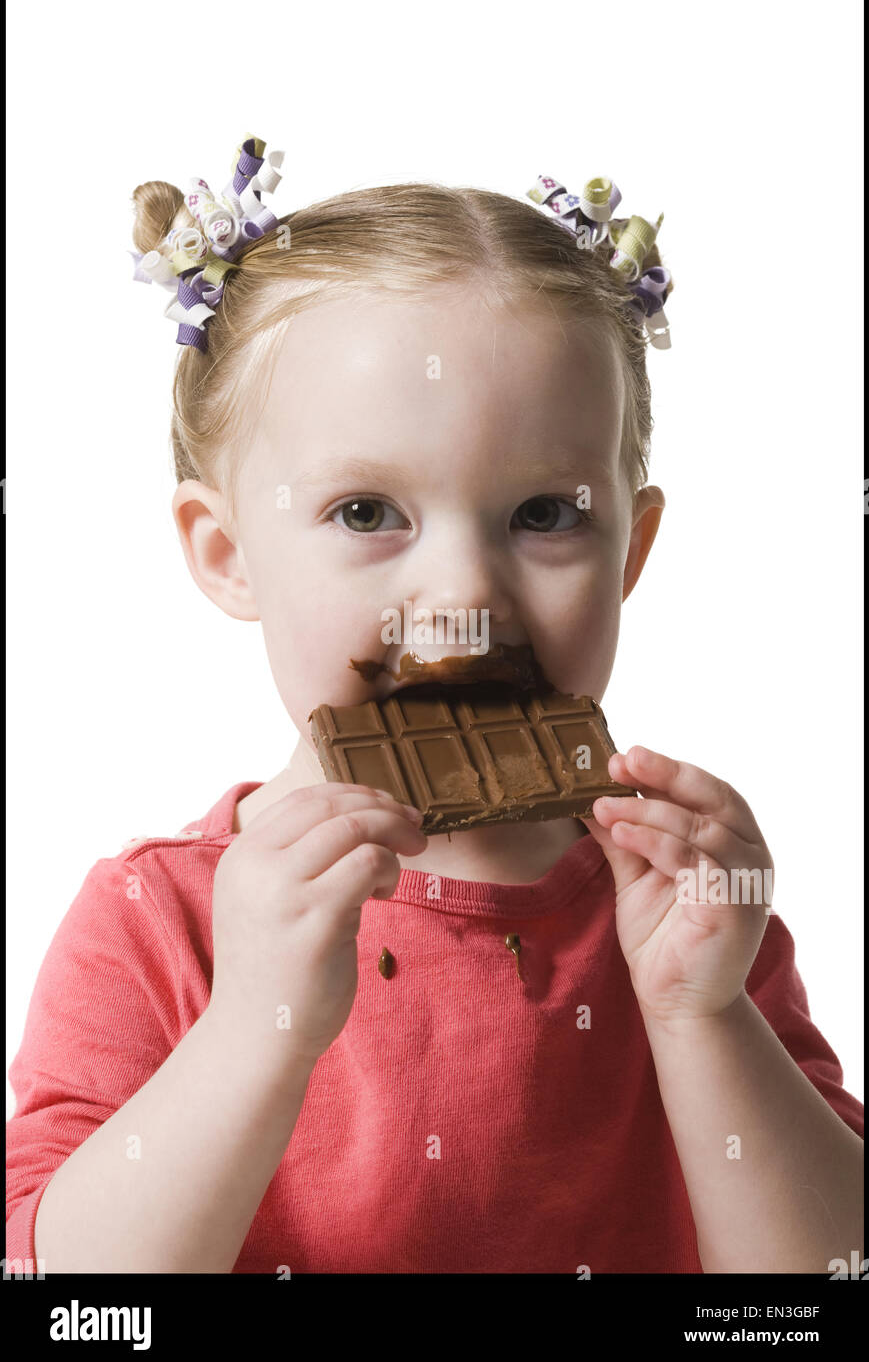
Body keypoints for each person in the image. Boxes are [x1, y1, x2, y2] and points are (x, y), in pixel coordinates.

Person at [6, 137, 863, 1274]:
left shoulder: (682, 910)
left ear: (629, 548)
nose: (461, 593)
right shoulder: (158, 917)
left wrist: (702, 1017)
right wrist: (252, 1032)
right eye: (367, 514)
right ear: (227, 553)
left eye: (543, 516)